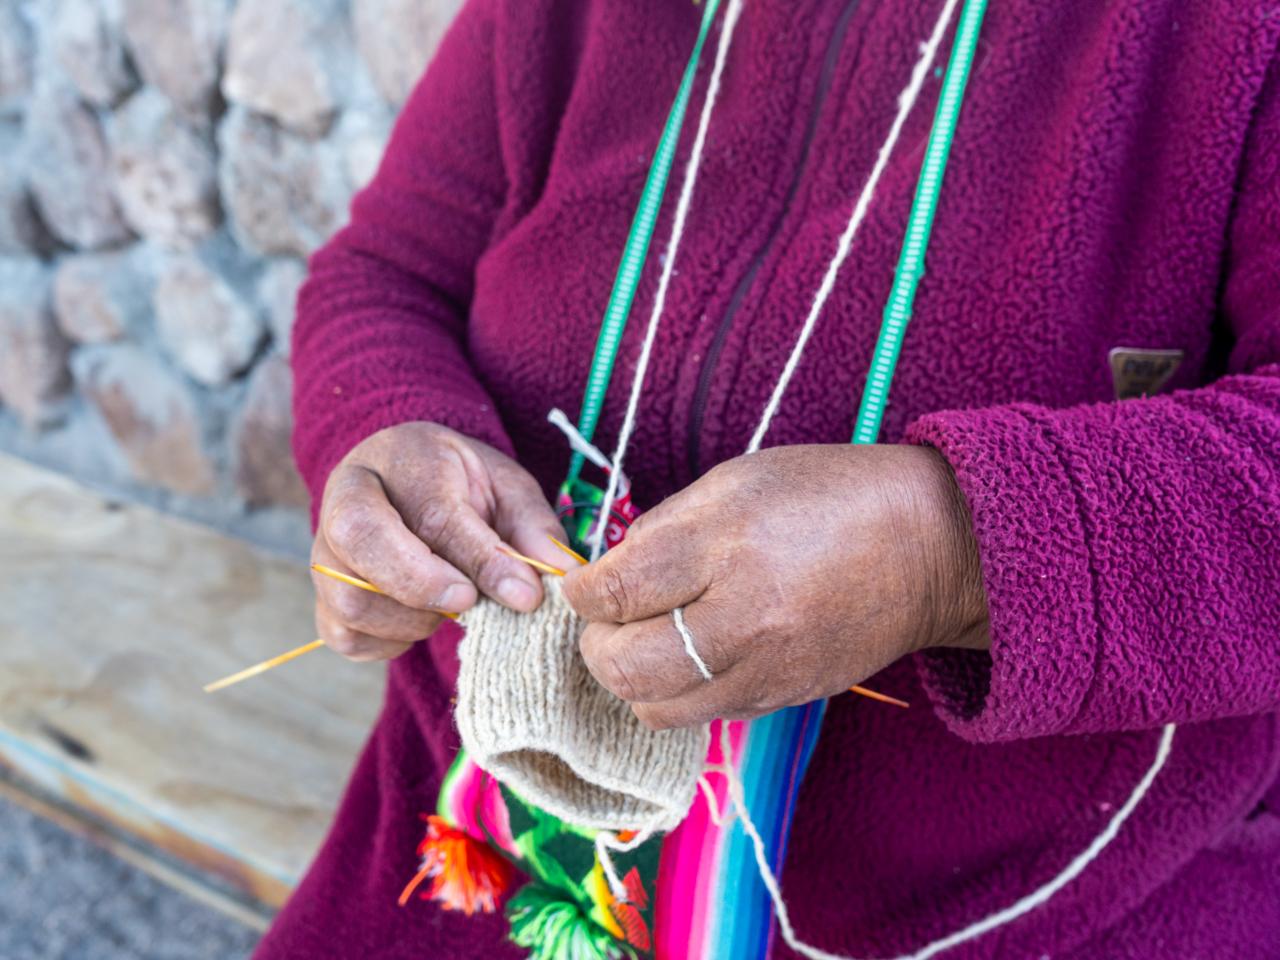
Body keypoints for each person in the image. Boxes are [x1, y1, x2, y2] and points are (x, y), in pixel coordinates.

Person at [253, 0, 1280, 957]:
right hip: (467, 858)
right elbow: (389, 269)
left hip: (1046, 912)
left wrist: (943, 551)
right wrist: (385, 433)